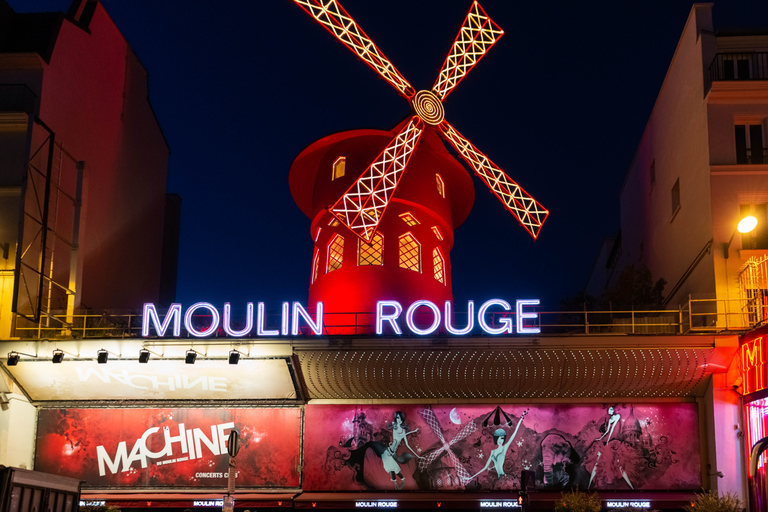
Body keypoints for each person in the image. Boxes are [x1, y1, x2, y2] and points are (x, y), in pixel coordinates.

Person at [469, 410, 527, 480]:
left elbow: (514, 434)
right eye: (498, 438)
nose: (500, 440)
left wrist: (521, 418)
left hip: (504, 477)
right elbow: (485, 467)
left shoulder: (504, 448)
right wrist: (471, 477)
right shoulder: (493, 452)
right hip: (500, 478)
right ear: (496, 439)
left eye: (502, 438)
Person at [380, 411, 422, 489]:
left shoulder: (403, 432)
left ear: (402, 418)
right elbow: (385, 428)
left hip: (392, 453)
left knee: (393, 468)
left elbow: (408, 445)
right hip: (389, 451)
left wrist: (418, 456)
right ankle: (396, 484)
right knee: (391, 468)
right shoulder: (394, 425)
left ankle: (400, 482)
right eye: (396, 418)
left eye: (399, 417)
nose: (397, 419)